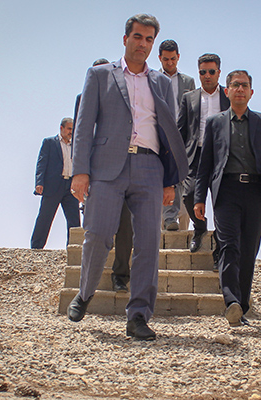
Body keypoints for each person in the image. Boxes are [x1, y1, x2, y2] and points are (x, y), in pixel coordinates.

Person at [67, 14, 188, 341]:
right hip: (107, 167)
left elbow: (168, 132)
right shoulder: (99, 75)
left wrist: (170, 180)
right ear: (125, 39)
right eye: (138, 37)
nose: (143, 44)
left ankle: (138, 316)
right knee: (98, 235)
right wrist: (80, 171)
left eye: (149, 39)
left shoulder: (161, 83)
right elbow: (84, 125)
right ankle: (85, 292)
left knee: (148, 242)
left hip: (150, 168)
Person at [194, 70, 261, 327]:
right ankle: (231, 300)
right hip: (226, 191)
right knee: (229, 246)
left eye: (244, 85)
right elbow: (205, 164)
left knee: (249, 249)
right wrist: (199, 198)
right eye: (235, 85)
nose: (240, 89)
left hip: (256, 192)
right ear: (227, 91)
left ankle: (241, 307)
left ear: (251, 92)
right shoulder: (215, 123)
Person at [74, 58, 132, 293]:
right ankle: (88, 283)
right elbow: (81, 134)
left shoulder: (125, 96)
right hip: (98, 174)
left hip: (125, 170)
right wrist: (81, 171)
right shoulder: (82, 99)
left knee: (126, 226)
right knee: (96, 230)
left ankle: (121, 276)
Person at [178, 53, 230, 253]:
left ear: (219, 72)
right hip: (195, 155)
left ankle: (220, 240)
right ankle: (199, 229)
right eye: (202, 72)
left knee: (222, 200)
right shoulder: (189, 98)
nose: (207, 76)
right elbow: (181, 130)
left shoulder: (228, 95)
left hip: (222, 156)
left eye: (211, 71)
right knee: (189, 195)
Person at [158, 39, 195, 231]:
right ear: (160, 58)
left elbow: (193, 109)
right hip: (160, 134)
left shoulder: (188, 81)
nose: (170, 63)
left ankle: (173, 218)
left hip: (182, 135)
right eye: (166, 59)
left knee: (180, 174)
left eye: (173, 59)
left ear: (178, 57)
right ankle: (168, 217)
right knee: (164, 174)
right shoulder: (153, 78)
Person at [30, 118, 80, 249]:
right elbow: (41, 163)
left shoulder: (76, 146)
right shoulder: (49, 142)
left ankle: (73, 248)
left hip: (71, 187)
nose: (71, 132)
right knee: (45, 217)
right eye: (69, 129)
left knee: (74, 220)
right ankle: (36, 247)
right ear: (61, 128)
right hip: (53, 186)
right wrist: (39, 182)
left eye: (73, 129)